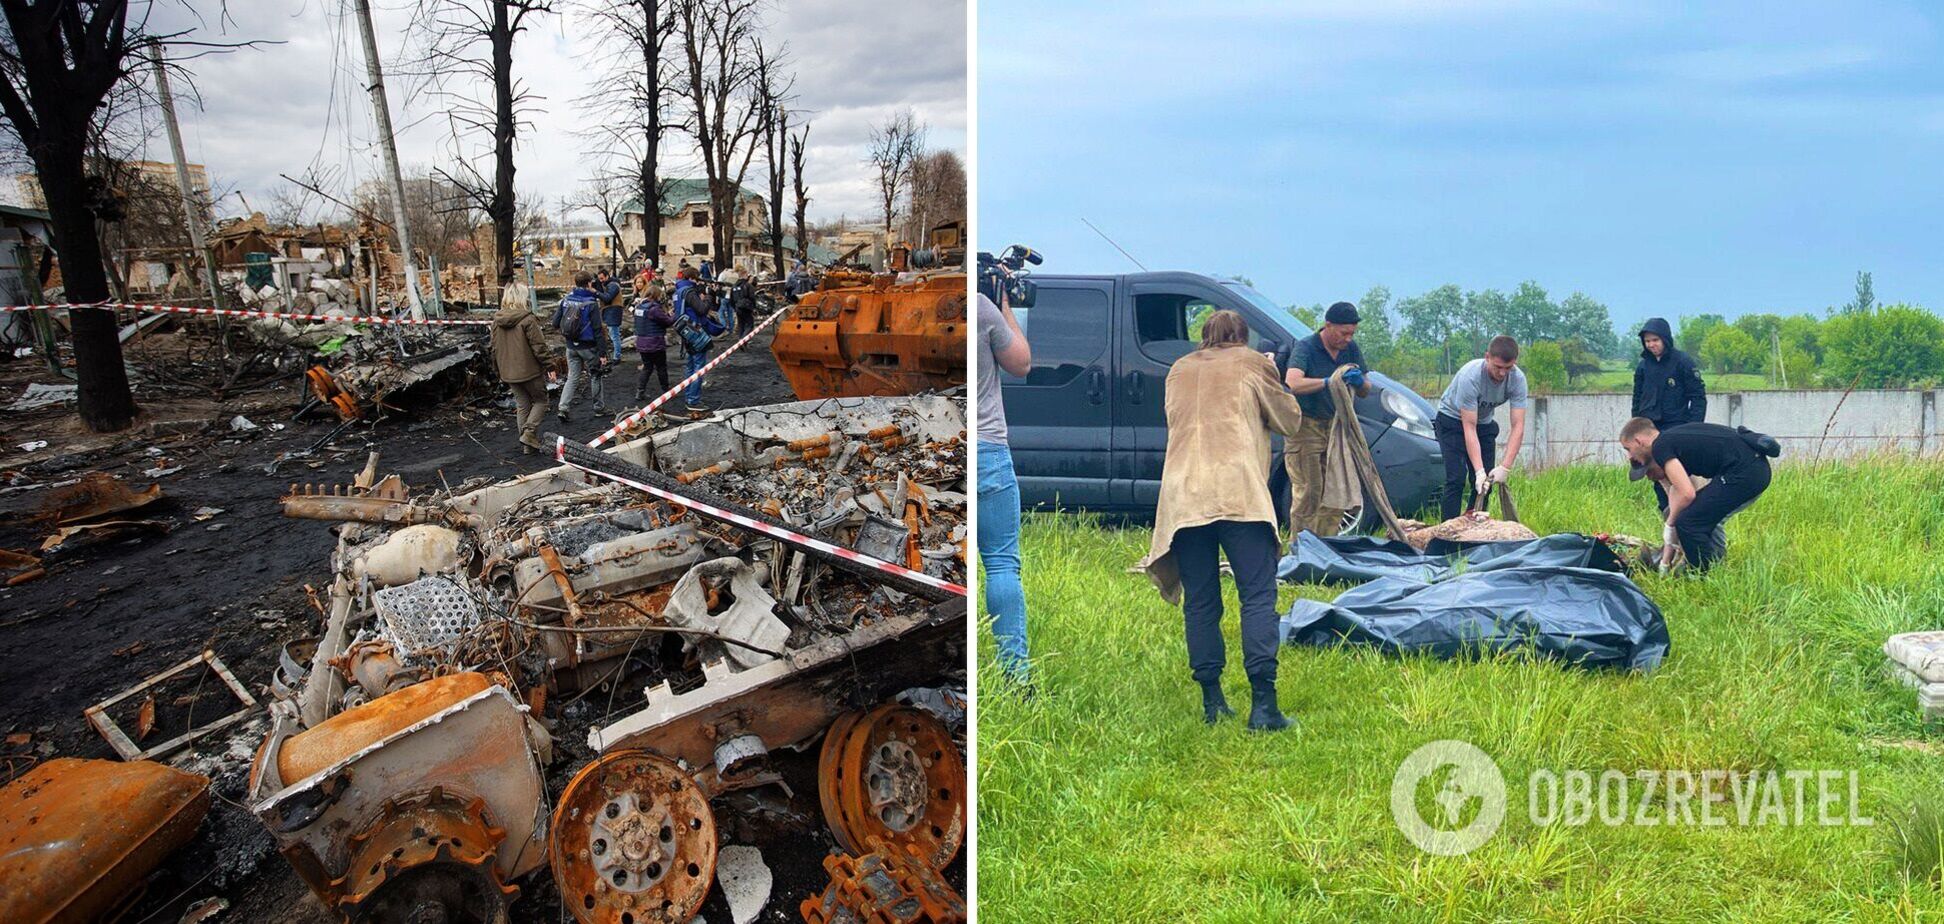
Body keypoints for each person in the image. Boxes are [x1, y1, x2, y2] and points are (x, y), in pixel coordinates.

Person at [1141, 310, 1306, 731]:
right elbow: (1290, 421)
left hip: (1184, 496)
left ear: (1205, 337)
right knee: (1257, 596)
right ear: (1243, 338)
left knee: (1201, 601)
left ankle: (1212, 701)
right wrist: (1272, 373)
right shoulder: (1253, 363)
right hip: (1238, 493)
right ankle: (1264, 706)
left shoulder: (1178, 369)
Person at [1619, 418, 1771, 572]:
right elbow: (1678, 496)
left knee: (1690, 522)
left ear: (1639, 441)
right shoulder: (1673, 441)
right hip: (1752, 468)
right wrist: (1665, 560)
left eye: (1627, 449)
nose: (1629, 457)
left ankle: (1704, 574)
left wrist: (1670, 525)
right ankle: (1712, 566)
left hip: (1746, 471)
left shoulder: (1661, 446)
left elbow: (1687, 495)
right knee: (1697, 516)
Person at [976, 292, 1033, 688]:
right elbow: (1021, 364)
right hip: (987, 449)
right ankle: (1015, 676)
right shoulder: (981, 306)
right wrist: (1005, 305)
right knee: (1000, 564)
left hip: (938, 437)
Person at [1282, 301, 1370, 537]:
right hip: (1305, 429)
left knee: (1337, 492)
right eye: (1343, 333)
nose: (1348, 339)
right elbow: (1294, 383)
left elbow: (1366, 388)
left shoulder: (1351, 350)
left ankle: (1327, 548)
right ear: (1328, 326)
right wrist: (1327, 382)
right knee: (1310, 492)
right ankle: (1302, 550)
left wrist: (1360, 383)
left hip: (1335, 429)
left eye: (1352, 333)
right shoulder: (1306, 348)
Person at [1433, 336, 1529, 519]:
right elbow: (1469, 427)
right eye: (1498, 367)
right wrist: (1478, 470)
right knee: (1457, 478)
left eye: (1508, 368)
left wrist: (1505, 467)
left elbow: (1518, 425)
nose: (1502, 373)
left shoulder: (1517, 380)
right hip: (1452, 421)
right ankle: (1448, 533)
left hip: (1484, 424)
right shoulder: (1471, 376)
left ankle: (1474, 527)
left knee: (1486, 484)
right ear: (1487, 357)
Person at [1631, 317, 1708, 511]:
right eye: (1647, 341)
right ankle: (1666, 512)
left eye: (1655, 340)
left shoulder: (1682, 362)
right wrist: (1635, 428)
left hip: (1677, 427)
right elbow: (1637, 397)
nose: (1651, 345)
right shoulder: (1643, 366)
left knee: (1680, 475)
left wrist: (1692, 428)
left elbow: (1698, 397)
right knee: (1656, 473)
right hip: (1650, 430)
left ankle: (1688, 514)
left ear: (1665, 339)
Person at [491, 288, 554, 454]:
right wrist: (550, 366)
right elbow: (539, 346)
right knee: (541, 401)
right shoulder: (528, 319)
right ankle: (529, 433)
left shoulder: (496, 321)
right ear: (522, 298)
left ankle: (527, 445)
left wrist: (498, 370)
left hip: (509, 372)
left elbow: (494, 348)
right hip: (529, 370)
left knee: (522, 404)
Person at [551, 271, 612, 422]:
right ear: (589, 283)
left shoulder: (566, 300)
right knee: (596, 376)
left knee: (572, 377)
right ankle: (599, 408)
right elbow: (598, 329)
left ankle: (563, 408)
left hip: (571, 346)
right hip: (589, 347)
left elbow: (554, 323)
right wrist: (603, 353)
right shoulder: (591, 303)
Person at [673, 272, 726, 414]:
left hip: (686, 331)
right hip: (695, 331)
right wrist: (709, 296)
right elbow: (702, 310)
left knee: (690, 366)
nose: (698, 283)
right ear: (691, 278)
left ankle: (689, 396)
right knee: (698, 367)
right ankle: (693, 400)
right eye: (696, 280)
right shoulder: (689, 292)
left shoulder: (678, 291)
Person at [632, 282, 674, 401]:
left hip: (641, 341)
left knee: (647, 367)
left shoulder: (639, 307)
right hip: (655, 342)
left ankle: (640, 392)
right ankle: (666, 391)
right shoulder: (654, 309)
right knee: (661, 367)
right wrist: (672, 315)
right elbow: (668, 322)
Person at [595, 268, 626, 363]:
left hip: (612, 313)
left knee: (614, 336)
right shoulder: (611, 285)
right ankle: (616, 356)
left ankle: (617, 357)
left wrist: (595, 292)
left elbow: (607, 298)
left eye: (602, 278)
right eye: (599, 279)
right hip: (611, 313)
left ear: (607, 276)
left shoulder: (613, 286)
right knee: (614, 335)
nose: (601, 281)